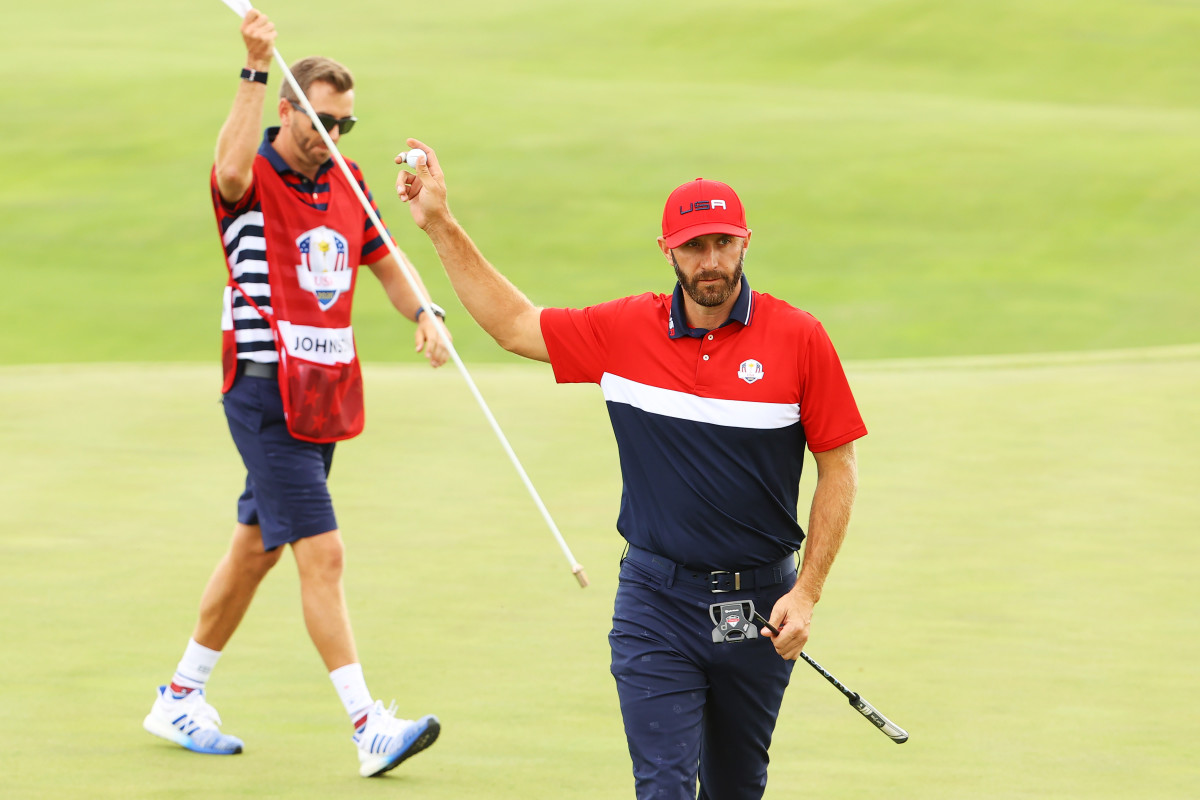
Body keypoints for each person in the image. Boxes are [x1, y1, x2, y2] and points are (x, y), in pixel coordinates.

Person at [394, 140, 867, 799]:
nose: (710, 262)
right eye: (694, 245)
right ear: (667, 250)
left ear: (745, 243)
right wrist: (442, 225)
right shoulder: (625, 331)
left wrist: (807, 592)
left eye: (723, 243)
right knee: (664, 789)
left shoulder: (799, 338)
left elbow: (837, 468)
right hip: (656, 602)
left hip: (758, 605)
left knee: (736, 787)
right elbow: (515, 326)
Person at [142, 12, 447, 778]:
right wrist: (250, 65)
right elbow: (231, 169)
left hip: (323, 398)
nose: (331, 135)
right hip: (263, 390)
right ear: (287, 108)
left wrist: (426, 313)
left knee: (257, 549)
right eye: (318, 119)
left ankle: (180, 694)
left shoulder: (345, 180)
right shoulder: (251, 176)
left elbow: (385, 259)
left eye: (343, 123)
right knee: (324, 552)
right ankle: (366, 724)